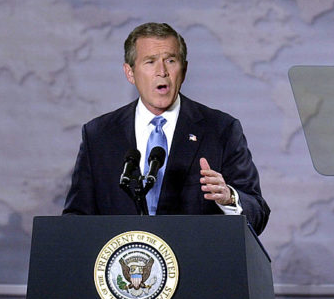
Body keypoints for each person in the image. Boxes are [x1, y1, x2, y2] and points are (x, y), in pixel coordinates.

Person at [62, 22, 270, 235]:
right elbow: (76, 218)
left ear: (184, 69)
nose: (162, 72)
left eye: (171, 61)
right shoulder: (99, 135)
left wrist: (229, 198)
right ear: (130, 72)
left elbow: (258, 213)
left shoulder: (221, 130)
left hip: (195, 263)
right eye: (150, 62)